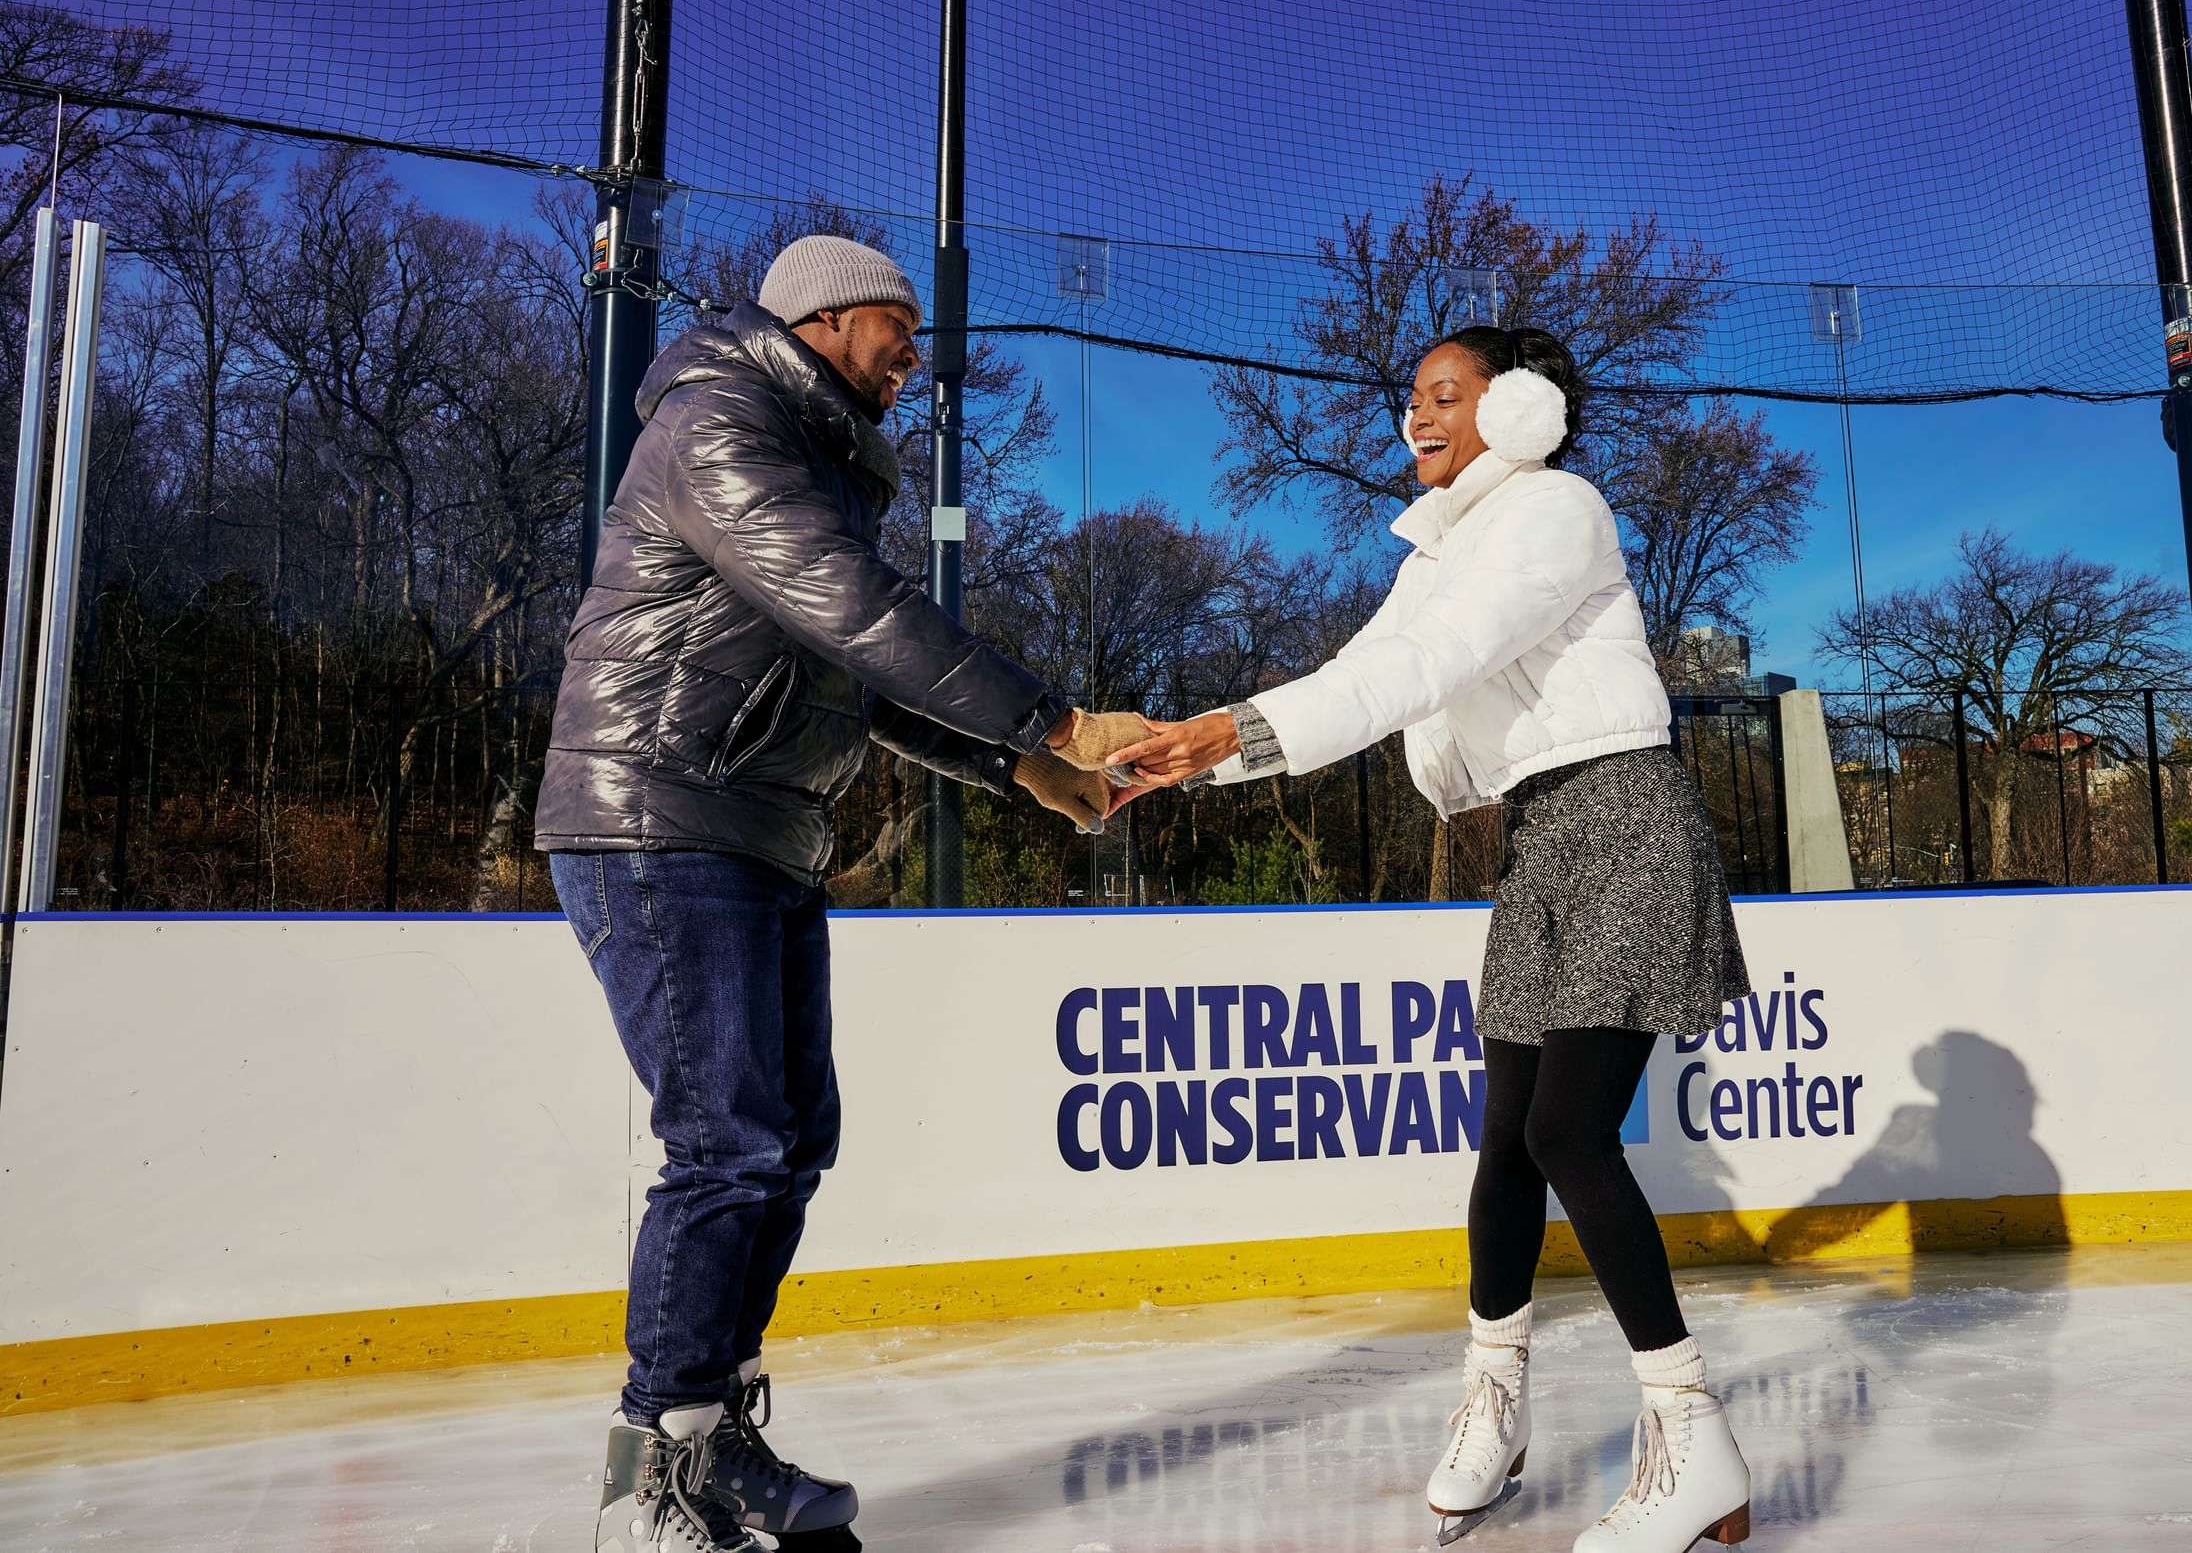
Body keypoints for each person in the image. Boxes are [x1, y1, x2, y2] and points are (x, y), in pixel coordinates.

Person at [535, 235, 1148, 1553]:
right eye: (897, 327)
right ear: (822, 318)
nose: (912, 357)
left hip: (762, 829)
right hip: (656, 810)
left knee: (790, 1133)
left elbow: (851, 672)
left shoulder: (814, 460)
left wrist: (1018, 765)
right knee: (726, 1132)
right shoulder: (717, 425)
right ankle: (650, 1474)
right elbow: (854, 607)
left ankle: (715, 1435)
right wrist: (1062, 718)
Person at [1111, 326, 1753, 1552]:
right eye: (1410, 397)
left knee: (1566, 1127)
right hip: (1541, 826)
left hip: (1622, 812)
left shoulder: (1557, 507)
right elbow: (1369, 666)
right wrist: (1201, 754)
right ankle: (1496, 1398)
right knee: (1506, 1138)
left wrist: (1223, 733)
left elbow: (1433, 662)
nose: (1417, 414)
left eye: (1445, 395)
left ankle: (1690, 1430)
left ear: (1516, 409)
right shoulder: (1441, 548)